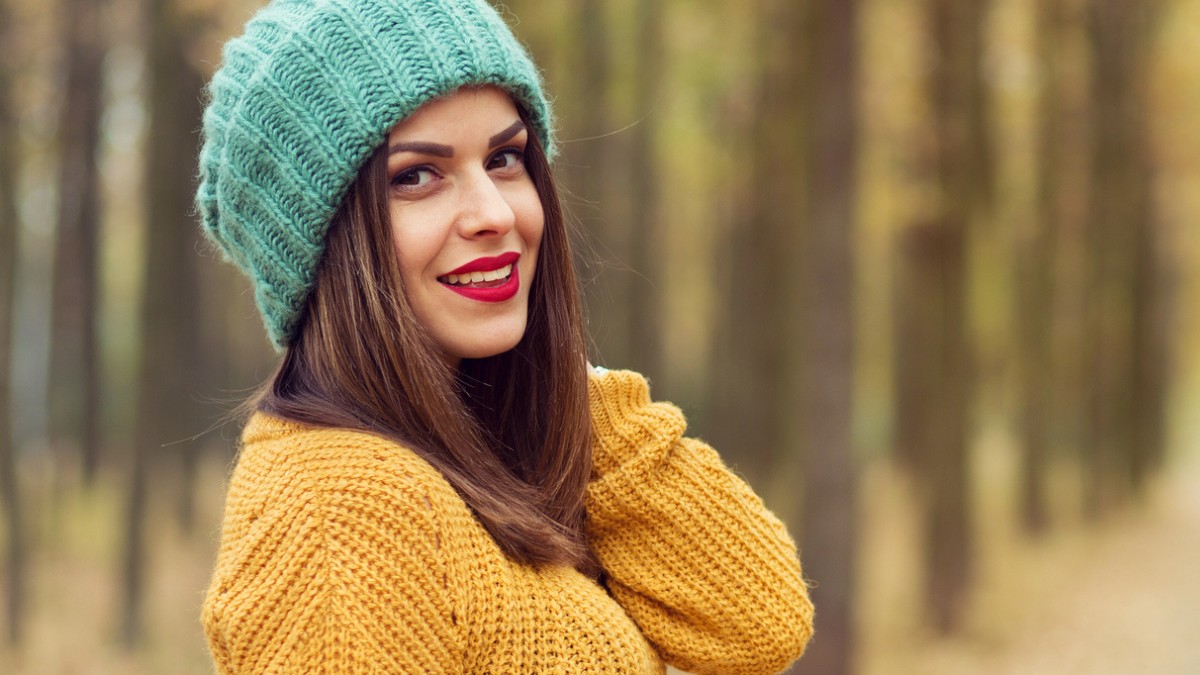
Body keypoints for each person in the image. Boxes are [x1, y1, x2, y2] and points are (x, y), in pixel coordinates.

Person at [197, 0, 814, 672]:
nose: (494, 213)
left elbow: (759, 622)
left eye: (505, 159)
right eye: (416, 176)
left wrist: (572, 397)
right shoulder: (340, 511)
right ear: (324, 245)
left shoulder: (478, 451)